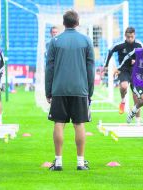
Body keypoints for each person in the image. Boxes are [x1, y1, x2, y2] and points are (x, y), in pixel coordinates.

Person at [45, 10, 95, 171]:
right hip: (80, 88)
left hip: (59, 89)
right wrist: (90, 91)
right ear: (77, 22)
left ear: (63, 23)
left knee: (59, 123)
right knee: (79, 124)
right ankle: (80, 162)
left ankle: (58, 162)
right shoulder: (86, 41)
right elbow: (90, 69)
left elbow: (49, 69)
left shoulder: (55, 41)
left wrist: (48, 91)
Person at [104, 27, 143, 122]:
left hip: (135, 72)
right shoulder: (120, 45)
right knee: (124, 86)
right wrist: (106, 65)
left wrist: (137, 62)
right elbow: (110, 51)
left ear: (134, 35)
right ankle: (123, 100)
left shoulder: (139, 45)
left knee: (137, 97)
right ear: (125, 36)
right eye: (128, 37)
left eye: (132, 37)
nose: (130, 39)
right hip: (123, 70)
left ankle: (138, 121)